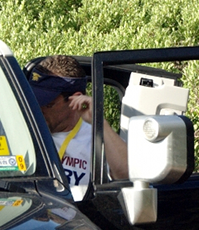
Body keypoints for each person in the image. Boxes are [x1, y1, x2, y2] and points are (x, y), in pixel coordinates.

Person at [27, 55, 128, 189]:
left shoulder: (94, 141)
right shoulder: (19, 128)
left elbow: (127, 176)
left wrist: (100, 124)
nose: (36, 109)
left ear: (75, 100)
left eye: (47, 104)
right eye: (32, 100)